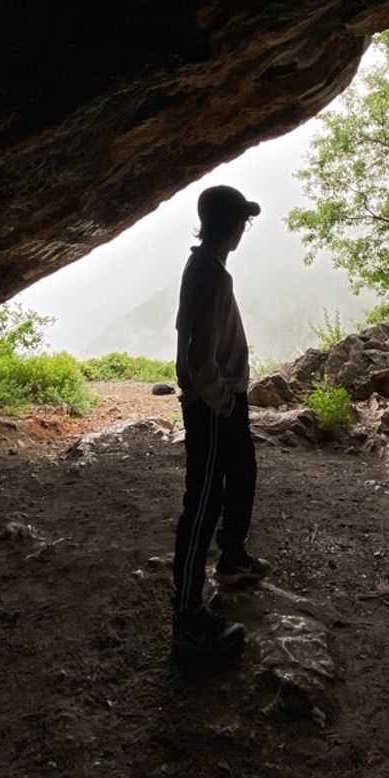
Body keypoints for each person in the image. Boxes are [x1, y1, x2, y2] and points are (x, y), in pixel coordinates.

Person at [171, 184, 271, 657]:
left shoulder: (209, 267)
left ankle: (231, 558)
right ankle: (188, 618)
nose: (243, 231)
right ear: (232, 227)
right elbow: (195, 356)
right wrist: (221, 402)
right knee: (204, 500)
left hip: (225, 399)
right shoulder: (209, 272)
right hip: (213, 405)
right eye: (243, 223)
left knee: (243, 474)